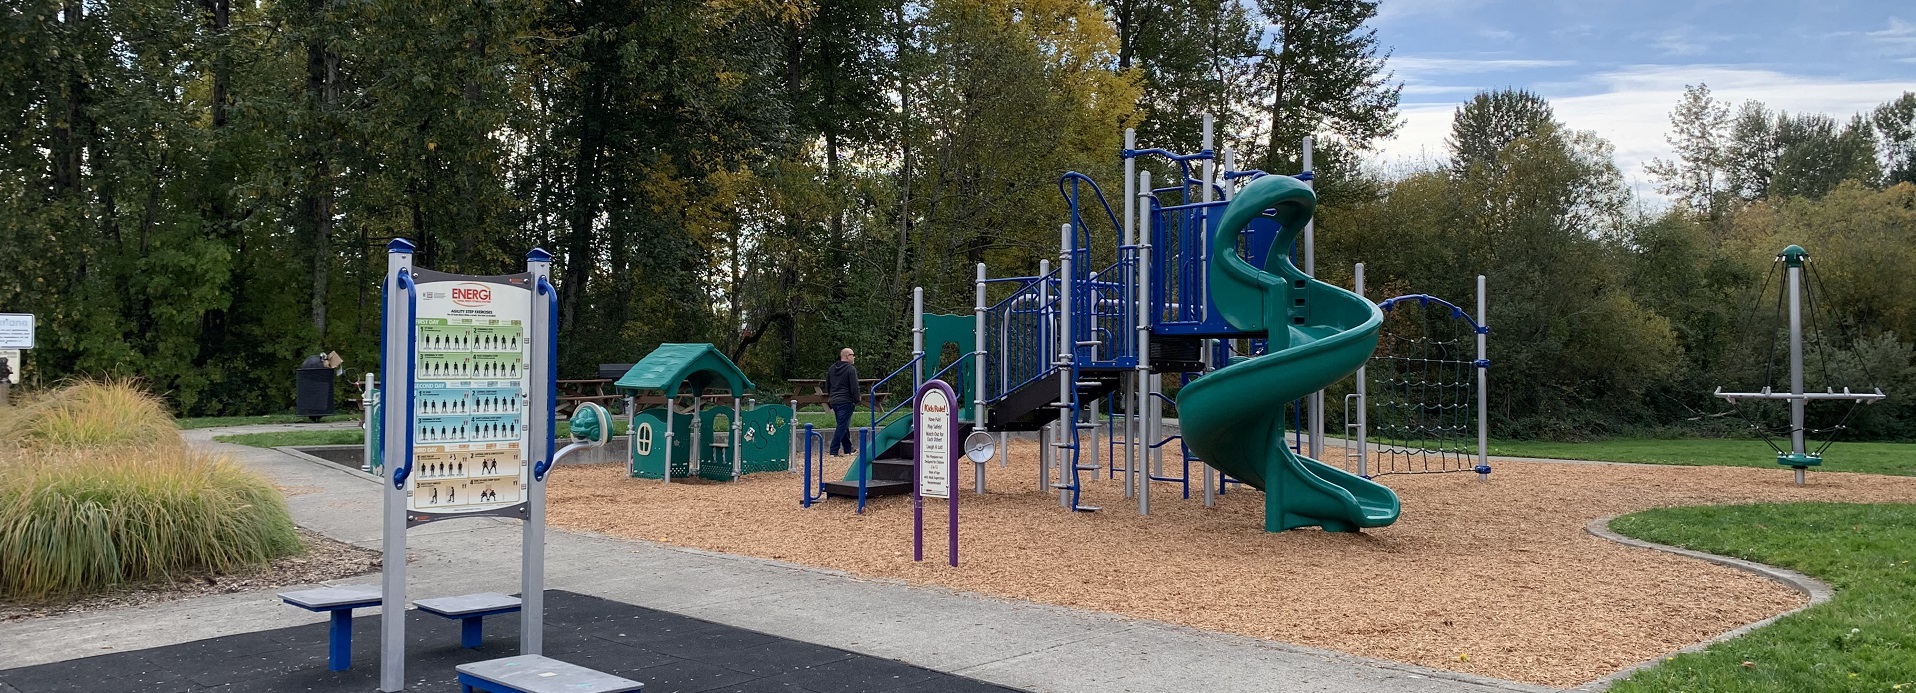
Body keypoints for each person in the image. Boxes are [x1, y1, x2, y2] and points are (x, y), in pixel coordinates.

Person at [826, 347, 859, 456]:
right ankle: (833, 450)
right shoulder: (850, 369)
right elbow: (854, 387)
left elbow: (828, 384)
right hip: (846, 400)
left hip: (835, 401)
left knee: (843, 424)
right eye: (852, 355)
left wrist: (831, 397)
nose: (854, 357)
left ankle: (848, 449)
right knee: (842, 425)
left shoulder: (832, 368)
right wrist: (856, 399)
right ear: (846, 356)